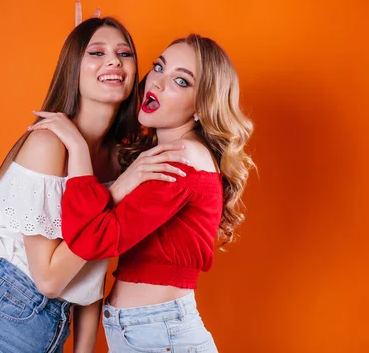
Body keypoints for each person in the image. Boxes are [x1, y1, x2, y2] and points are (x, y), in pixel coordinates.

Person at [0, 16, 187, 353]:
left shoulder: (121, 160)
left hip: (52, 327)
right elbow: (49, 279)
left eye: (124, 54)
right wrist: (113, 187)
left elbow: (92, 275)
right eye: (96, 52)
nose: (113, 61)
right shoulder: (49, 145)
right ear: (72, 69)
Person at [30, 33, 255, 352]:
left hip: (160, 335)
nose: (158, 83)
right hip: (149, 332)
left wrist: (77, 146)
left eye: (180, 81)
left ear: (202, 108)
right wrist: (83, 62)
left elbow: (90, 240)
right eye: (159, 67)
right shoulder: (160, 154)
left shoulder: (180, 158)